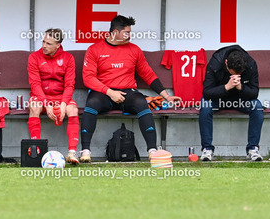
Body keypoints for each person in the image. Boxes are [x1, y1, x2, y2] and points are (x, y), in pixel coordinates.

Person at [80, 15, 181, 162]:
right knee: (92, 103)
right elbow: (88, 78)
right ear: (115, 33)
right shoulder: (94, 49)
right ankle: (85, 151)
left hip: (128, 92)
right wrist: (110, 92)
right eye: (126, 32)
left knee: (142, 103)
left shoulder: (134, 50)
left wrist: (167, 96)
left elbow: (148, 74)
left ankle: (153, 151)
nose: (130, 36)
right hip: (104, 92)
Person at [199, 45, 264, 161]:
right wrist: (226, 87)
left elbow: (255, 93)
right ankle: (207, 149)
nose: (235, 76)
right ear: (226, 63)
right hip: (218, 99)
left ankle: (253, 149)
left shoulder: (250, 64)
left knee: (257, 107)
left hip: (240, 99)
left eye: (239, 74)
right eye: (232, 73)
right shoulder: (216, 63)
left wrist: (241, 87)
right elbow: (207, 92)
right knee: (205, 105)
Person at [27, 28, 80, 164]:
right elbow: (35, 84)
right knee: (34, 107)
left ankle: (72, 153)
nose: (44, 45)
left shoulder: (68, 58)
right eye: (43, 41)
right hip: (41, 97)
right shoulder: (34, 57)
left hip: (61, 97)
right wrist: (47, 104)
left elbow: (69, 85)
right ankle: (35, 150)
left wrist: (62, 105)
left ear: (58, 45)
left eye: (49, 44)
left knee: (73, 109)